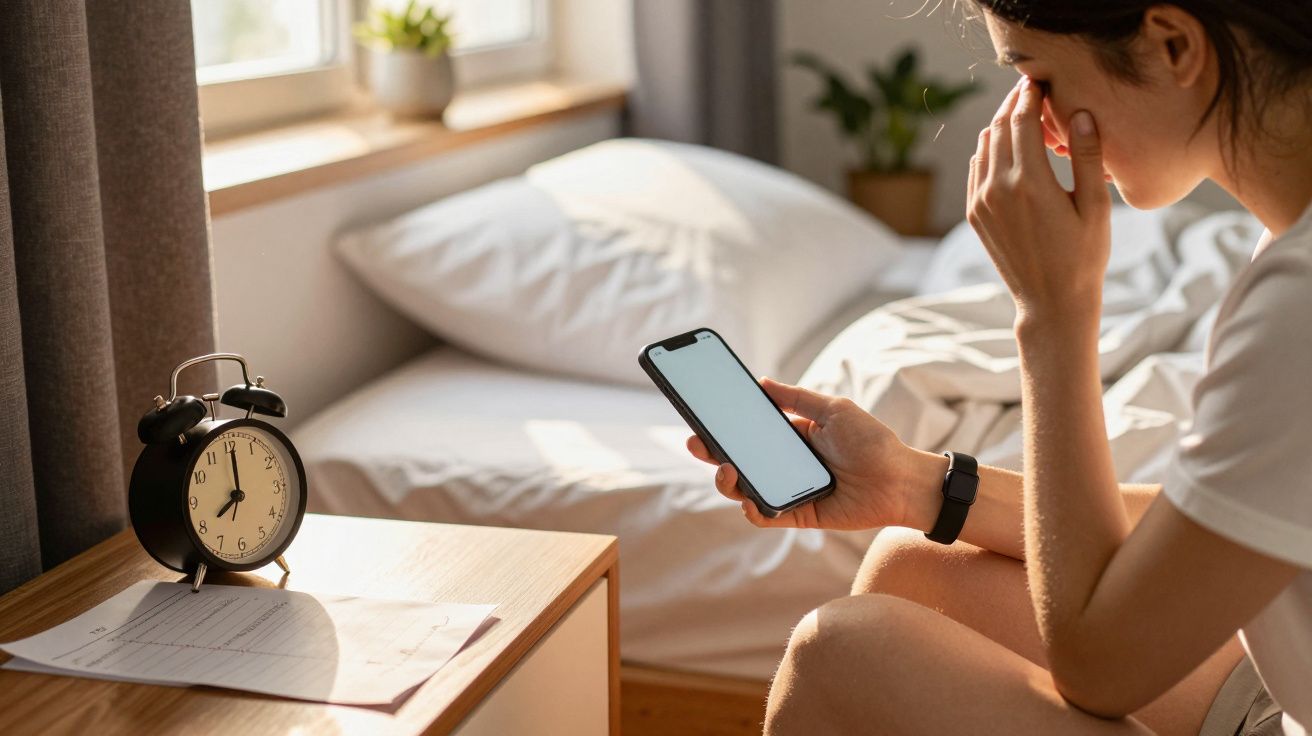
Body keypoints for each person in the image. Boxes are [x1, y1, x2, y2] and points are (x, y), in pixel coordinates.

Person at [686, 2, 1312, 734]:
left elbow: (1102, 666)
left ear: (1174, 46)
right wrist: (914, 484)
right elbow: (1229, 515)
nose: (1037, 126)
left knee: (843, 652)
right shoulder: (1285, 248)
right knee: (912, 566)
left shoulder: (1295, 305)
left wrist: (1053, 313)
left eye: (1037, 76)